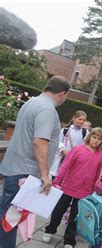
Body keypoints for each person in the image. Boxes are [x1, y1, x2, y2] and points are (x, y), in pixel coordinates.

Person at [0, 75, 70, 247]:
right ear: (62, 93)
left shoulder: (30, 103)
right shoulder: (47, 110)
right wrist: (46, 174)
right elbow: (39, 141)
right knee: (11, 218)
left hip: (15, 168)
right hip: (25, 172)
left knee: (6, 213)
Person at [42, 128, 102, 248]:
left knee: (75, 217)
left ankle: (69, 240)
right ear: (90, 137)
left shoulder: (101, 156)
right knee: (58, 211)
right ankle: (50, 230)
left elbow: (98, 174)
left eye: (99, 139)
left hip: (85, 192)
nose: (96, 141)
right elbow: (66, 166)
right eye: (94, 137)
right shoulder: (78, 149)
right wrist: (57, 181)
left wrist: (94, 190)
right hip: (68, 187)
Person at [49, 110, 88, 179]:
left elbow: (85, 145)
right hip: (62, 157)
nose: (81, 121)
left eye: (83, 120)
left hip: (75, 160)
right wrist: (63, 150)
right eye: (80, 119)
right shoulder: (65, 130)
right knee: (57, 175)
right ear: (74, 118)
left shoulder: (85, 132)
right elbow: (58, 141)